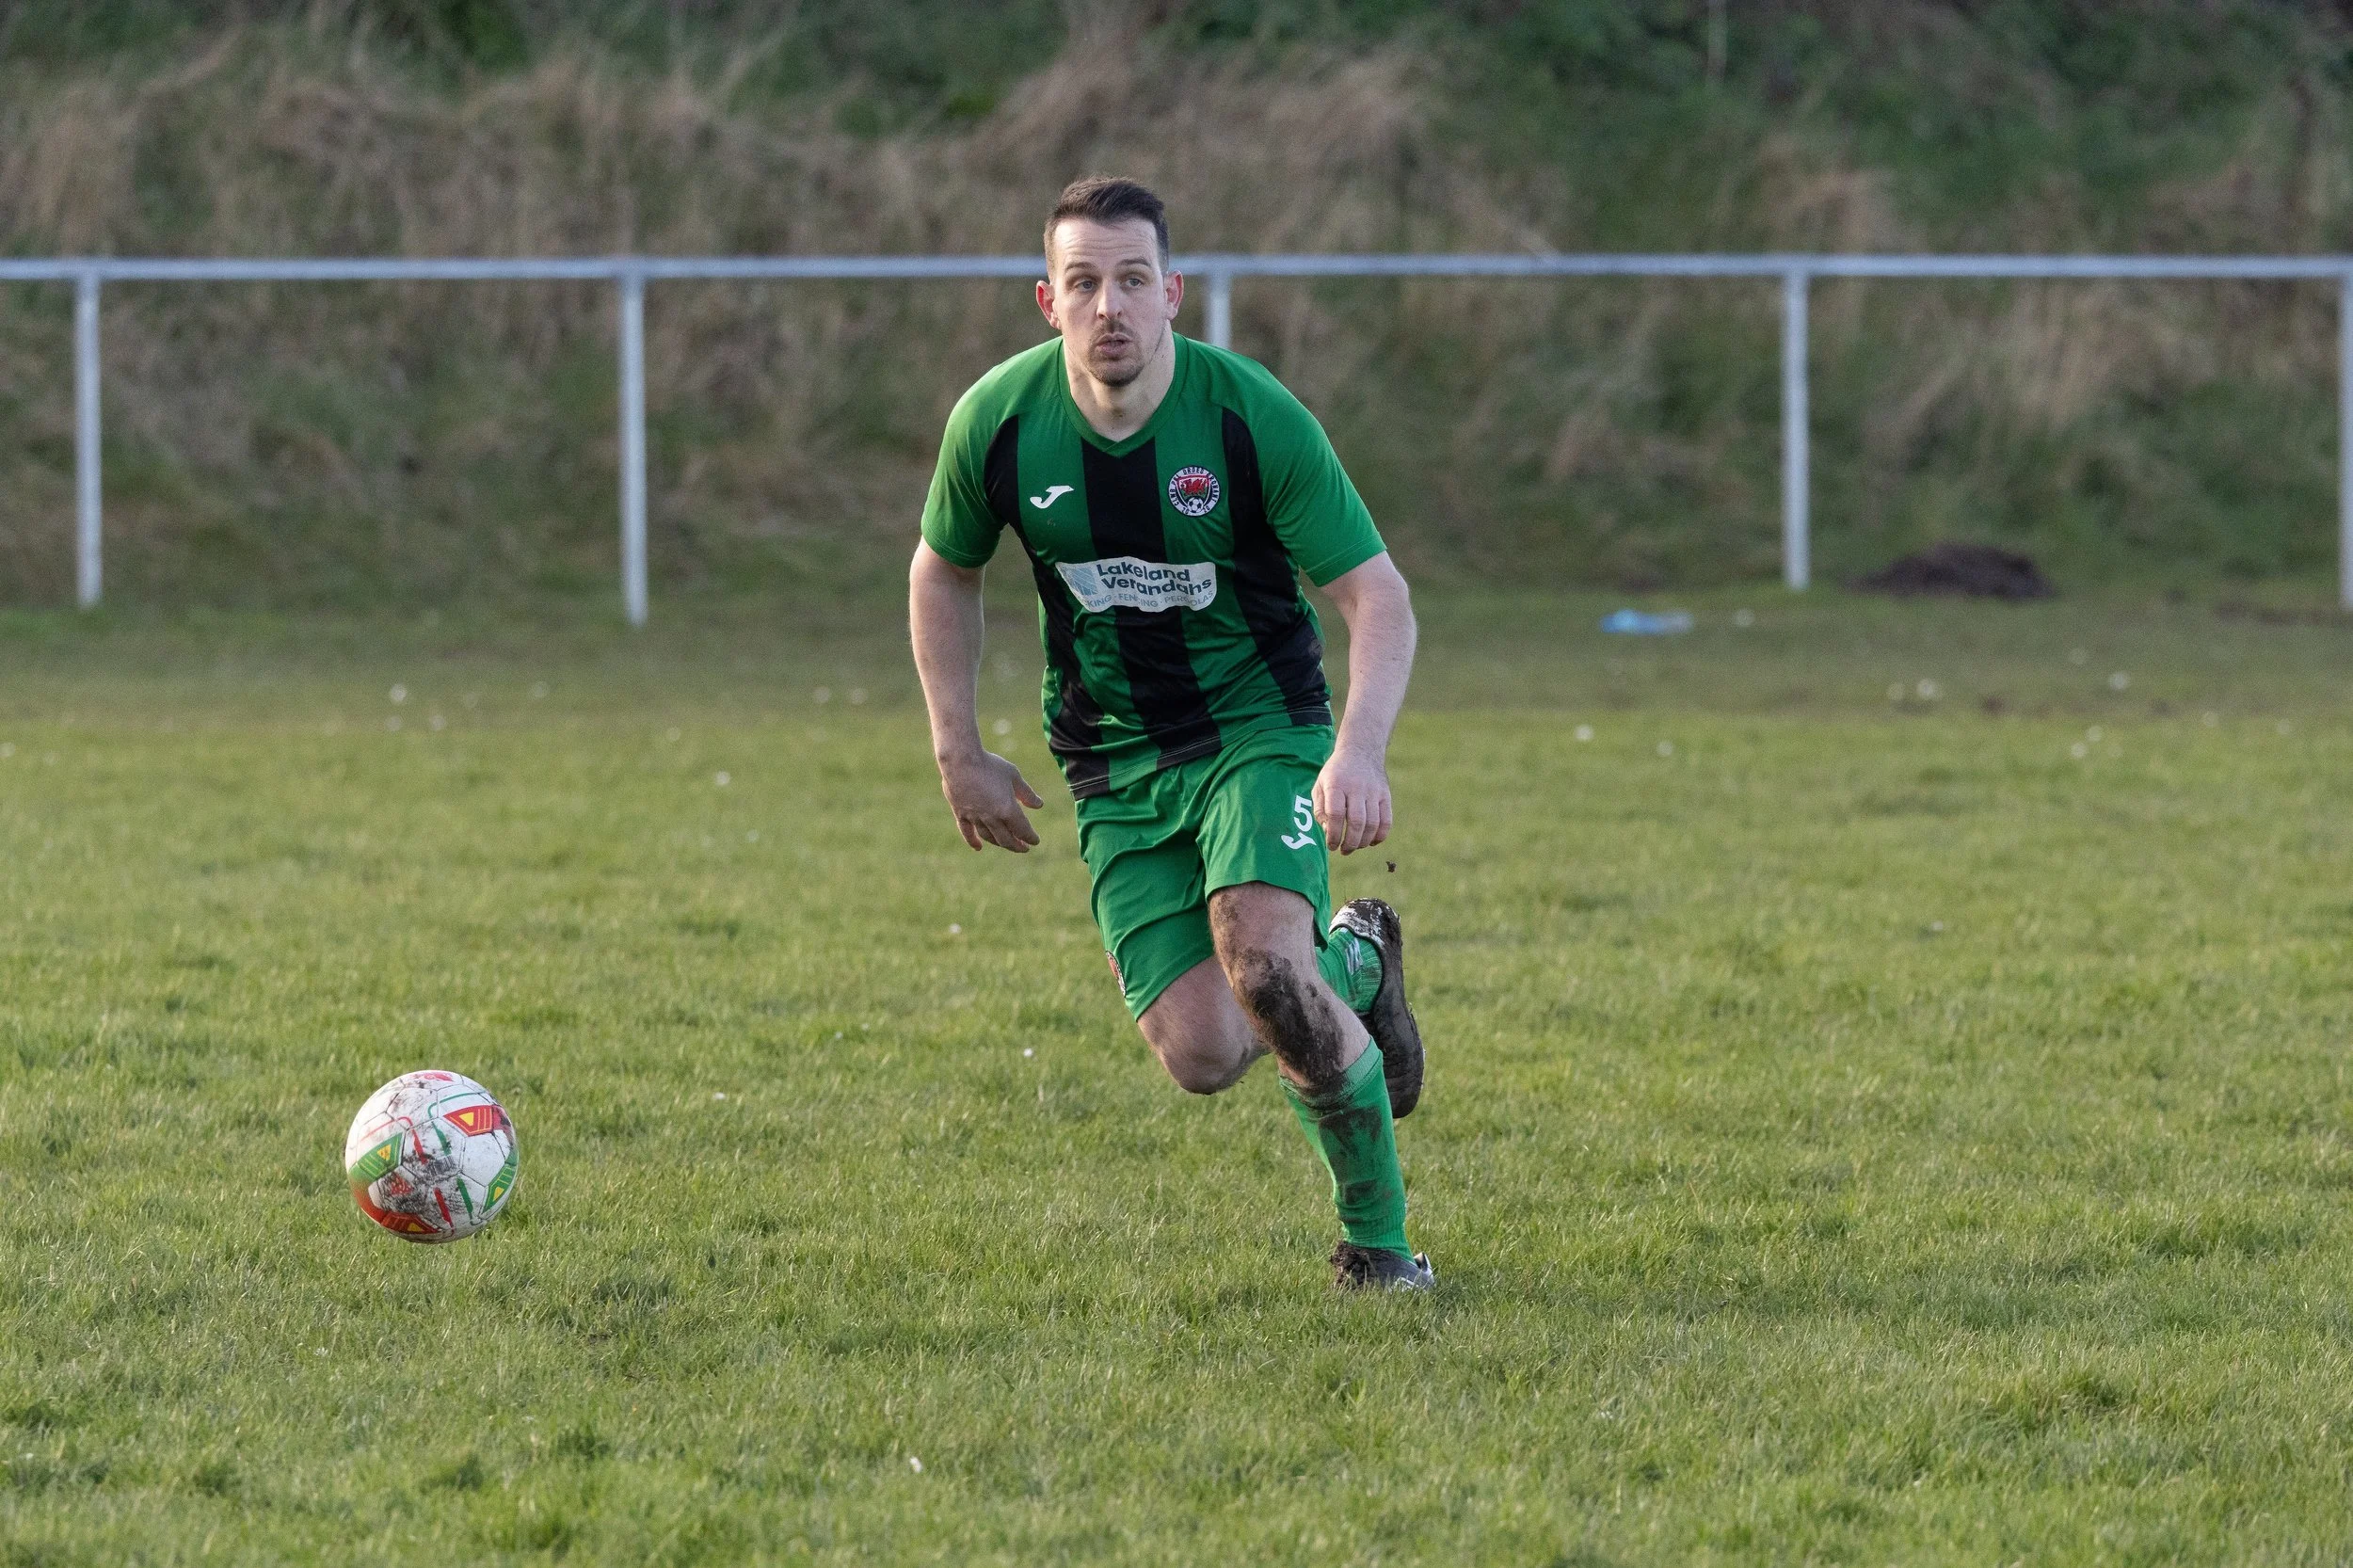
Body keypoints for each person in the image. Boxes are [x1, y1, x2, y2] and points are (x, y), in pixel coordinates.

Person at [907, 176, 1432, 1291]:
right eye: (1084, 281)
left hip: (1257, 726)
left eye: (1132, 279)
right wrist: (958, 747)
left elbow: (1374, 594)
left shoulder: (1250, 418)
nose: (1111, 306)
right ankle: (1361, 957)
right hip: (1113, 758)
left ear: (1173, 295)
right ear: (1045, 301)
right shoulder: (997, 423)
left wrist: (1359, 749)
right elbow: (943, 571)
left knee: (1263, 969)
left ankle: (1379, 1249)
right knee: (1201, 1052)